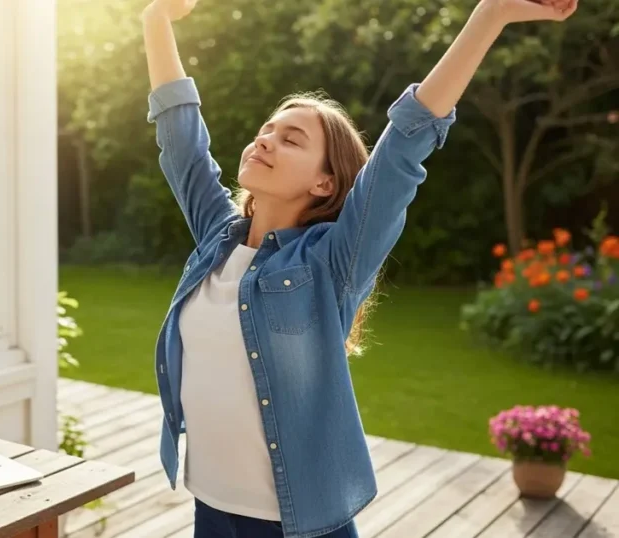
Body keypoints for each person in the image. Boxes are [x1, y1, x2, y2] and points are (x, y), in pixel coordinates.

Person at [141, 0, 579, 536]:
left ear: (325, 183)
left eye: (291, 138)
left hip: (298, 524)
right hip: (210, 508)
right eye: (267, 129)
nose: (265, 139)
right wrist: (155, 21)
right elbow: (181, 138)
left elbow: (404, 145)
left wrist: (490, 13)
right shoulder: (217, 237)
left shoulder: (332, 260)